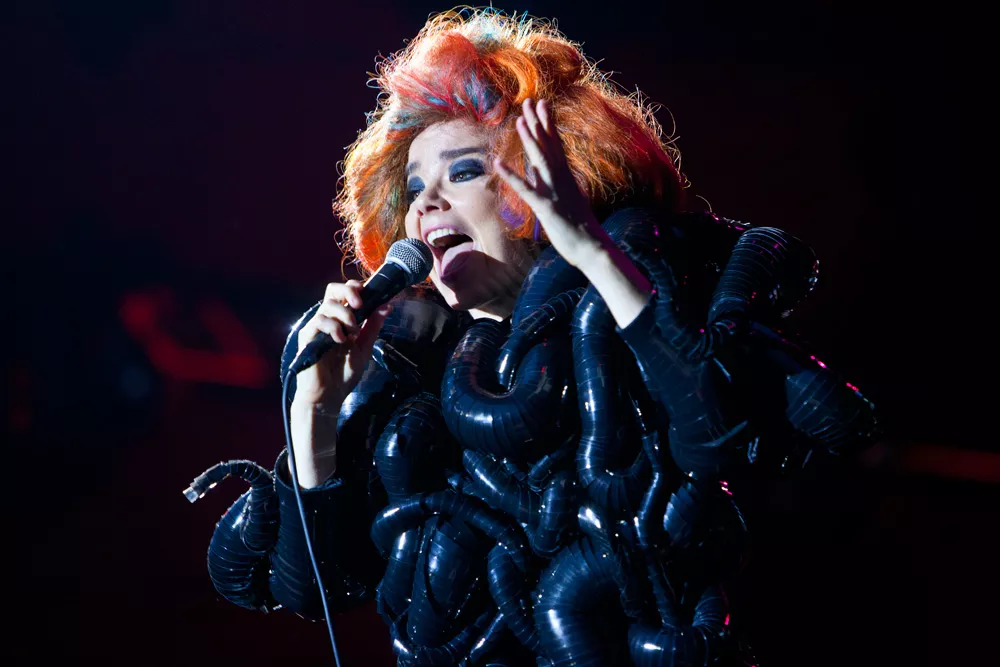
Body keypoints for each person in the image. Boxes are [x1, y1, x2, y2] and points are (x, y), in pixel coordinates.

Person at [188, 8, 878, 665]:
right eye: (415, 188)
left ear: (545, 183)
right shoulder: (414, 379)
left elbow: (728, 435)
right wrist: (314, 413)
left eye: (463, 172)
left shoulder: (634, 304)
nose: (427, 204)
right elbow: (319, 587)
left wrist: (590, 247)